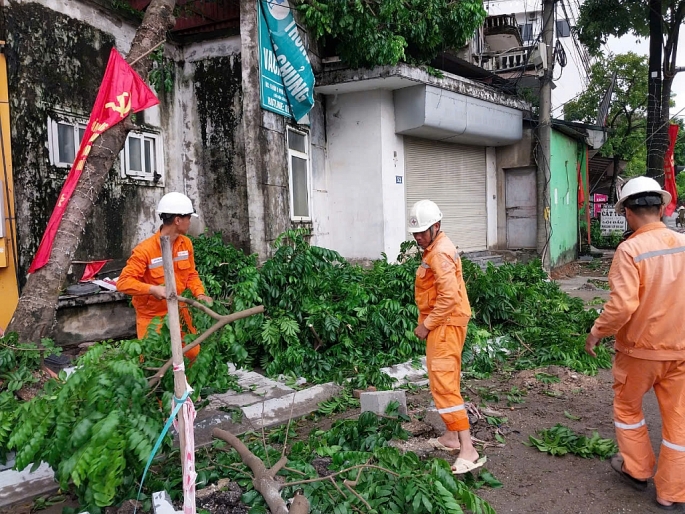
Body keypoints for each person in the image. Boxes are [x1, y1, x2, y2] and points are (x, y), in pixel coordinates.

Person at [585, 176, 685, 510]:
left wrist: (597, 331)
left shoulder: (630, 250)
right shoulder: (683, 244)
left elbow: (622, 306)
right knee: (678, 421)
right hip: (681, 350)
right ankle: (671, 492)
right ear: (660, 207)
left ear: (627, 212)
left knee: (628, 408)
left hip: (639, 352)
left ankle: (638, 469)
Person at [408, 199, 486, 474]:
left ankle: (468, 449)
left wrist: (426, 325)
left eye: (422, 231)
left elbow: (448, 297)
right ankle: (452, 437)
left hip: (444, 324)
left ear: (436, 227)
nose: (418, 237)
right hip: (447, 324)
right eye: (415, 233)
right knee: (446, 379)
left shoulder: (439, 253)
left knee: (444, 385)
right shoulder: (437, 247)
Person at [117, 192, 212, 361]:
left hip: (180, 310)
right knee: (152, 359)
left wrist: (200, 294)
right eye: (188, 217)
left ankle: (185, 387)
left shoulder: (186, 244)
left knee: (192, 353)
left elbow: (191, 274)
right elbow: (123, 283)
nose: (190, 222)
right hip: (153, 317)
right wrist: (152, 289)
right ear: (178, 220)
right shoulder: (144, 251)